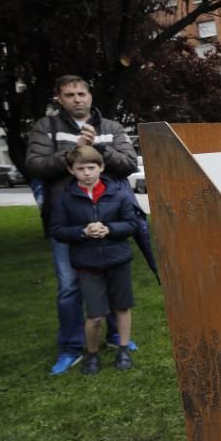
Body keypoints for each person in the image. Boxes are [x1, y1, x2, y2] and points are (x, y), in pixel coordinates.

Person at [26, 75, 139, 375]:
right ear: (59, 99)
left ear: (90, 96)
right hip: (68, 216)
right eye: (69, 94)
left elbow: (129, 164)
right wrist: (73, 151)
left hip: (110, 215)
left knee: (116, 280)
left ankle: (119, 338)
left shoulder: (111, 127)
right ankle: (72, 347)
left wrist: (97, 150)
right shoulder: (46, 128)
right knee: (68, 286)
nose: (77, 99)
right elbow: (35, 165)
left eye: (81, 93)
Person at [49, 147, 137, 374]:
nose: (87, 173)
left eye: (91, 167)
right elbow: (57, 230)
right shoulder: (65, 199)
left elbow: (131, 224)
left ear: (101, 167)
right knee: (95, 315)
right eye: (80, 169)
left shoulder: (117, 194)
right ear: (71, 170)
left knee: (122, 307)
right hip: (87, 263)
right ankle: (92, 353)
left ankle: (123, 348)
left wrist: (109, 229)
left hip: (117, 259)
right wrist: (82, 232)